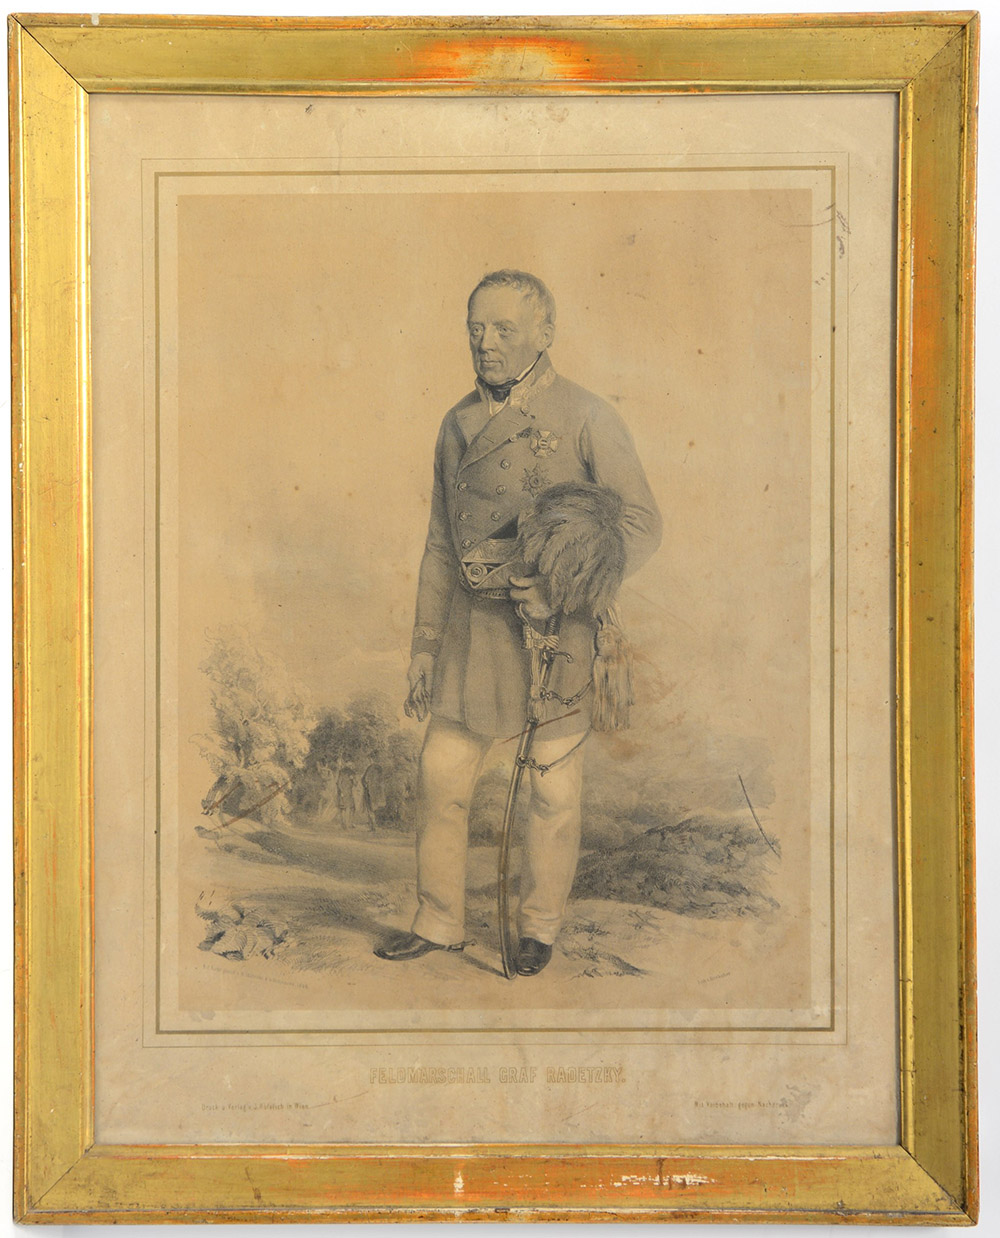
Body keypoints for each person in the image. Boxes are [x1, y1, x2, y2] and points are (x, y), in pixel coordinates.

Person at [375, 270, 661, 976]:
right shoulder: (457, 424)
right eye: (476, 329)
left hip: (552, 632)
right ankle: (438, 920)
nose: (486, 343)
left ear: (545, 333)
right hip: (471, 634)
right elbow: (440, 545)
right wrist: (423, 646)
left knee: (552, 791)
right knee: (442, 776)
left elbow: (639, 523)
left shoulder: (588, 415)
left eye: (504, 329)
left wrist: (561, 583)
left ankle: (539, 927)